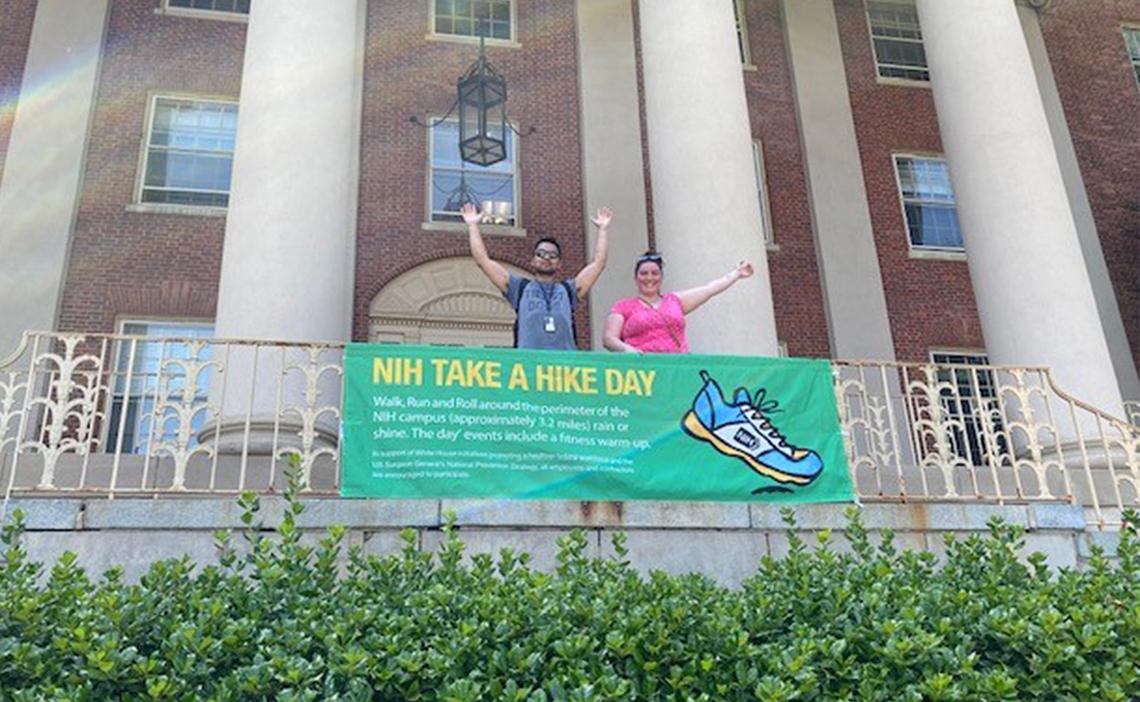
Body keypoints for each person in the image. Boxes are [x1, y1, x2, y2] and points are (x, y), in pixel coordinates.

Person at [463, 202, 611, 350]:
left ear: (559, 263)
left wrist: (603, 230)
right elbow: (482, 260)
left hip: (565, 366)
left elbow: (599, 263)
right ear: (533, 261)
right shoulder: (518, 288)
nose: (546, 258)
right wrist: (472, 226)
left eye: (553, 255)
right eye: (541, 254)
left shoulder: (569, 290)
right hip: (529, 365)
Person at [603, 251, 754, 353]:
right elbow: (609, 339)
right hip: (642, 370)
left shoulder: (674, 301)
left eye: (655, 273)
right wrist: (630, 351)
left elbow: (710, 289)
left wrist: (736, 273)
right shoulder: (623, 306)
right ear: (636, 278)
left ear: (661, 277)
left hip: (676, 368)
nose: (649, 278)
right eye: (644, 273)